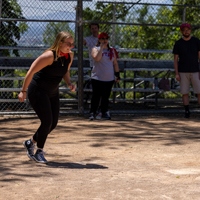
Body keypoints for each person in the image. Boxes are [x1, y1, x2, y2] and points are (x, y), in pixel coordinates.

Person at [18, 31, 76, 163]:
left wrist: (69, 83)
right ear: (60, 43)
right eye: (68, 44)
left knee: (53, 123)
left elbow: (65, 71)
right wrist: (23, 91)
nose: (71, 47)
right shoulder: (49, 56)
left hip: (52, 92)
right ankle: (39, 151)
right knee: (47, 122)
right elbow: (31, 71)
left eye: (72, 44)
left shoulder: (69, 56)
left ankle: (30, 142)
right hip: (38, 90)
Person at [89, 32, 120, 120]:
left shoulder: (112, 50)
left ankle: (104, 112)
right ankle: (92, 113)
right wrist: (101, 48)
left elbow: (115, 63)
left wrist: (117, 74)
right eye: (102, 38)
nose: (104, 40)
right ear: (99, 40)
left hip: (109, 78)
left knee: (105, 97)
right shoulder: (95, 49)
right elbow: (97, 58)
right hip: (97, 77)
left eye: (106, 38)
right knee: (96, 96)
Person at [173, 23, 200, 118]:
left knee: (199, 91)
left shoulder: (196, 41)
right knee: (185, 92)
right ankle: (187, 111)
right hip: (183, 71)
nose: (186, 31)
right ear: (181, 31)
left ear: (190, 30)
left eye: (188, 29)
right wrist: (177, 73)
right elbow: (175, 60)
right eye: (184, 30)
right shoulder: (178, 43)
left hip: (196, 71)